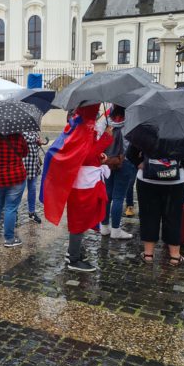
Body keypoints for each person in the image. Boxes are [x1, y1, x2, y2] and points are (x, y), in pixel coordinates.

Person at [64, 105, 112, 272]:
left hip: (84, 180)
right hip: (82, 183)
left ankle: (74, 251)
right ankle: (74, 259)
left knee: (81, 218)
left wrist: (99, 155)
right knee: (79, 219)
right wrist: (106, 138)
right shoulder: (81, 127)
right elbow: (86, 154)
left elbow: (88, 154)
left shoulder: (79, 125)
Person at [127, 145, 184, 266]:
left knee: (148, 216)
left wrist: (139, 163)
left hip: (148, 179)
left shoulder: (145, 128)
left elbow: (131, 153)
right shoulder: (182, 129)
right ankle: (175, 256)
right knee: (173, 216)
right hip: (175, 179)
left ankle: (148, 254)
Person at [0, 131, 28, 247]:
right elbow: (25, 153)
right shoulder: (19, 137)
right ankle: (9, 239)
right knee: (11, 208)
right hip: (16, 178)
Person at [100, 106, 134, 239]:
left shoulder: (107, 119)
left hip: (108, 161)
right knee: (119, 197)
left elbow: (99, 135)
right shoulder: (131, 119)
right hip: (124, 161)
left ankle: (104, 227)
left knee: (107, 195)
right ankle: (116, 230)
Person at [22, 131, 46, 223]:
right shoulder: (19, 129)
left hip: (33, 163)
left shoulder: (34, 129)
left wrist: (39, 141)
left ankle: (32, 212)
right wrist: (36, 139)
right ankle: (14, 214)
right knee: (19, 191)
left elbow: (36, 140)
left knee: (32, 189)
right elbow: (25, 138)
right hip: (23, 164)